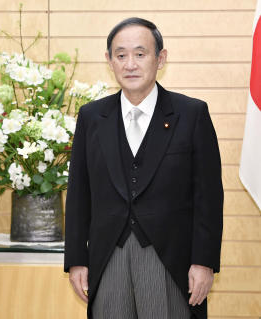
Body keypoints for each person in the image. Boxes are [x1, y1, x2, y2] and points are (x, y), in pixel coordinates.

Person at [64, 17, 223, 319]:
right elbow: (79, 195)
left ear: (160, 58)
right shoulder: (92, 117)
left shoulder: (192, 114)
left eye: (140, 54)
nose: (130, 64)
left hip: (170, 260)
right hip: (108, 256)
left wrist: (204, 262)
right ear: (109, 61)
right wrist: (76, 260)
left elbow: (209, 199)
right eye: (120, 55)